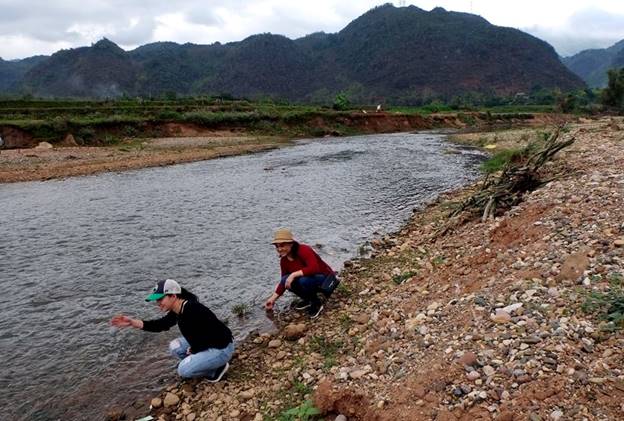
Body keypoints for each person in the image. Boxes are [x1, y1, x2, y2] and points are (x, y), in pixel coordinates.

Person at [111, 279, 234, 381]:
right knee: (174, 346)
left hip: (222, 347)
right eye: (156, 300)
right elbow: (160, 325)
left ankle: (216, 370)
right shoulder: (177, 310)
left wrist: (196, 348)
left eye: (160, 299)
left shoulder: (193, 309)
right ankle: (205, 363)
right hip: (207, 343)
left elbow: (215, 336)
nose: (158, 303)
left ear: (173, 296)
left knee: (183, 371)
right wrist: (132, 322)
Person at [264, 228, 338, 319]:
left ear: (291, 244)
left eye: (282, 245)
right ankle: (308, 299)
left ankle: (316, 303)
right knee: (286, 281)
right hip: (310, 281)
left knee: (303, 280)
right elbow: (283, 282)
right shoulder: (284, 261)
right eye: (277, 246)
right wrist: (272, 299)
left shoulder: (303, 249)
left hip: (325, 279)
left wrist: (293, 275)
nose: (279, 249)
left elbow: (314, 268)